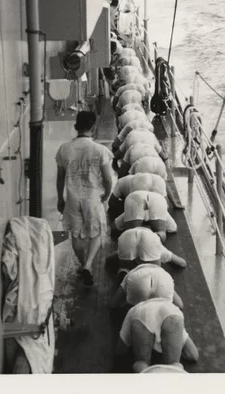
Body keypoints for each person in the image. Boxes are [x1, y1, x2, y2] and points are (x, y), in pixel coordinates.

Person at [56, 111, 114, 287]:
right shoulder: (100, 150)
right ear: (94, 128)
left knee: (76, 234)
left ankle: (83, 265)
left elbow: (60, 178)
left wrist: (60, 197)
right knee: (96, 232)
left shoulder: (64, 149)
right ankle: (88, 264)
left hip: (72, 198)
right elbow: (108, 178)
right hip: (92, 197)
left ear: (75, 127)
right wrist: (107, 194)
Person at [116, 297, 199, 373]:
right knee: (175, 364)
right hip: (172, 313)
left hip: (142, 313)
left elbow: (121, 348)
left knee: (141, 363)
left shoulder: (134, 309)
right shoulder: (170, 305)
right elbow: (193, 355)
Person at [110, 262, 184, 309]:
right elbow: (180, 305)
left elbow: (112, 304)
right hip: (162, 279)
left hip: (137, 282)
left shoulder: (130, 275)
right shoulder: (164, 275)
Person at [113, 190, 177, 240]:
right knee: (161, 232)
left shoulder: (128, 214)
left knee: (131, 234)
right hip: (157, 199)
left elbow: (115, 226)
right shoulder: (163, 212)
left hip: (136, 197)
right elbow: (173, 229)